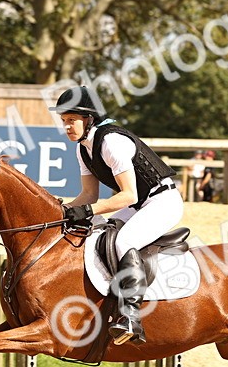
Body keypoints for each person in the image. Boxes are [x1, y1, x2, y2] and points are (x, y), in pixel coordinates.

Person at [52, 86, 184, 346]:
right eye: (63, 121)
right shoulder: (83, 149)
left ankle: (131, 315)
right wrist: (63, 211)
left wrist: (87, 211)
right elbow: (88, 195)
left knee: (123, 241)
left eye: (71, 120)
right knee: (96, 230)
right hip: (141, 204)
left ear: (88, 119)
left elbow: (128, 196)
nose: (67, 126)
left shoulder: (111, 141)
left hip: (163, 201)